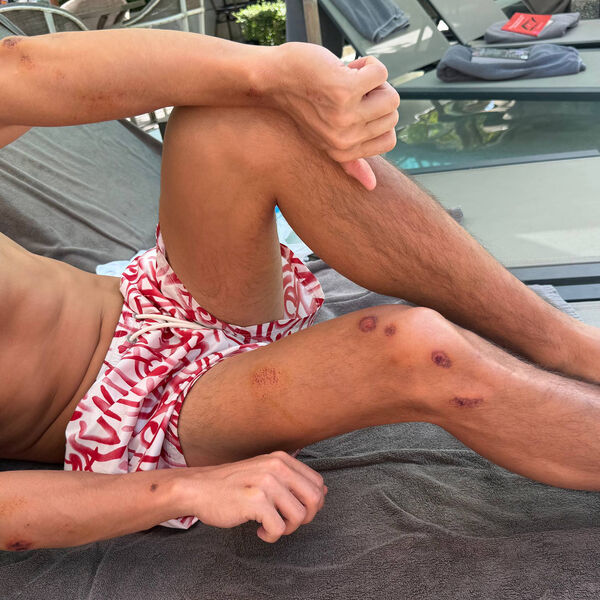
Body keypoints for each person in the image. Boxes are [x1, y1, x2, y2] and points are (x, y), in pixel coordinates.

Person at [1, 28, 600, 552]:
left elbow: (19, 72)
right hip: (137, 414)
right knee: (412, 349)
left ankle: (567, 344)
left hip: (151, 300)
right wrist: (181, 490)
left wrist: (279, 72)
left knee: (245, 116)